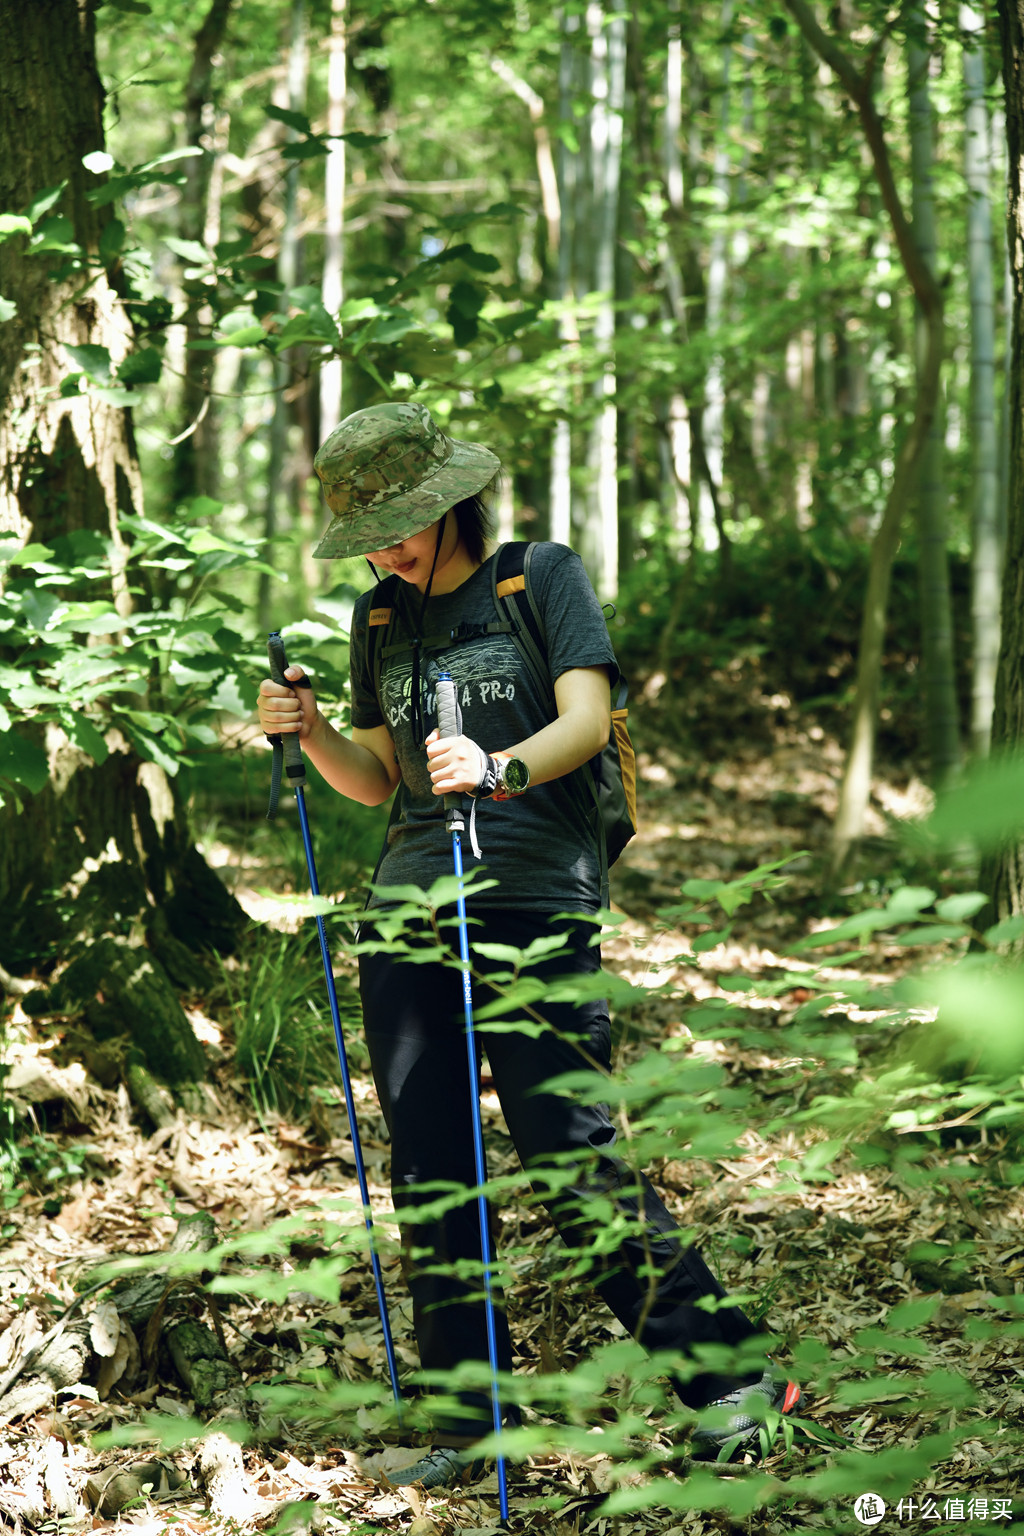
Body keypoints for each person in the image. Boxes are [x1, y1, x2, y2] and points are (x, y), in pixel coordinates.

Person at [256, 402, 803, 1487]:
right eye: (367, 532)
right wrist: (309, 731)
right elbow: (381, 782)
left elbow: (584, 724)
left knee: (569, 1152)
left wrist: (497, 767)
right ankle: (474, 1425)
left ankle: (736, 1381)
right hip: (411, 902)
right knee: (431, 1169)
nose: (388, 546)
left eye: (403, 520)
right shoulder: (376, 624)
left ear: (450, 497)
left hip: (533, 895)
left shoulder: (533, 576)